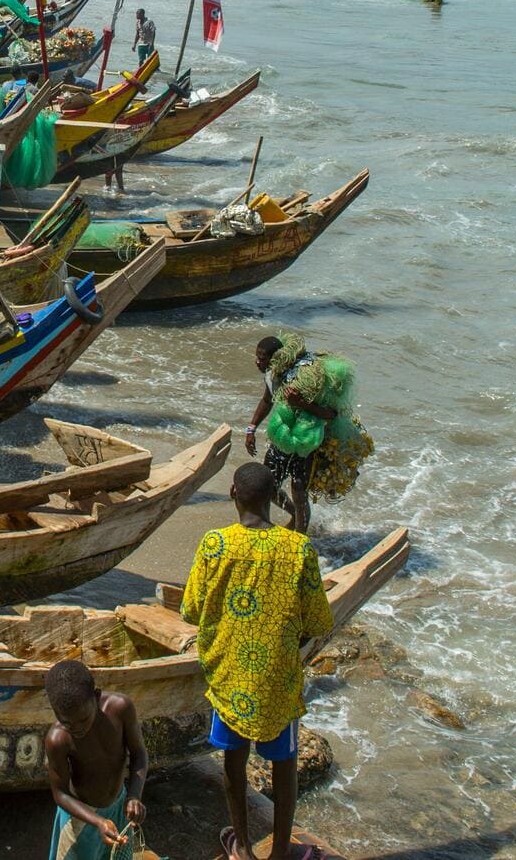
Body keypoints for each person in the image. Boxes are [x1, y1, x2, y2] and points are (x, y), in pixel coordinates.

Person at [181, 462, 335, 860]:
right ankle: (281, 852)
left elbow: (191, 610)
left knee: (234, 765)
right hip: (277, 681)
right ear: (272, 500)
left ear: (233, 494)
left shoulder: (215, 544)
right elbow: (319, 620)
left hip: (230, 675)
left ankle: (244, 848)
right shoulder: (298, 548)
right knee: (284, 767)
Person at [44, 659, 147, 860]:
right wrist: (98, 821)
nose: (76, 728)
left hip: (118, 804)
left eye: (83, 719)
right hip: (81, 818)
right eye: (66, 722)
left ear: (97, 696)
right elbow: (61, 794)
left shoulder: (120, 708)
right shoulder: (57, 740)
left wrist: (134, 796)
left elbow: (139, 754)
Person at [243, 336, 338, 533]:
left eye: (262, 358)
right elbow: (267, 400)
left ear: (276, 358)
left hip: (306, 445)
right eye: (257, 357)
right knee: (268, 488)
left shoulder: (304, 381)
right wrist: (251, 429)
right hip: (282, 439)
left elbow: (331, 414)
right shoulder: (271, 376)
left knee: (299, 491)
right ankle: (295, 516)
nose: (257, 362)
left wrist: (301, 404)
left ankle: (301, 540)